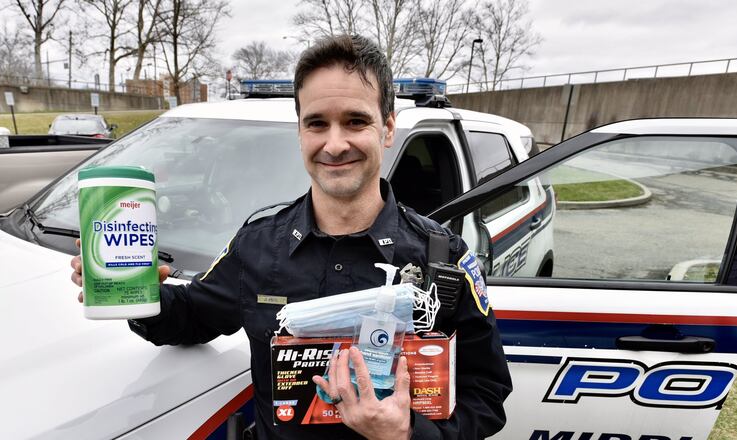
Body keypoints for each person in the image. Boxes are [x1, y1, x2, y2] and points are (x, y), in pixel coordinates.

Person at [71, 34, 511, 439]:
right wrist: (136, 290)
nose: (335, 144)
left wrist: (408, 434)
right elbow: (191, 317)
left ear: (388, 128)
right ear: (300, 131)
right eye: (317, 123)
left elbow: (487, 396)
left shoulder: (443, 259)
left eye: (356, 121)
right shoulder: (258, 246)